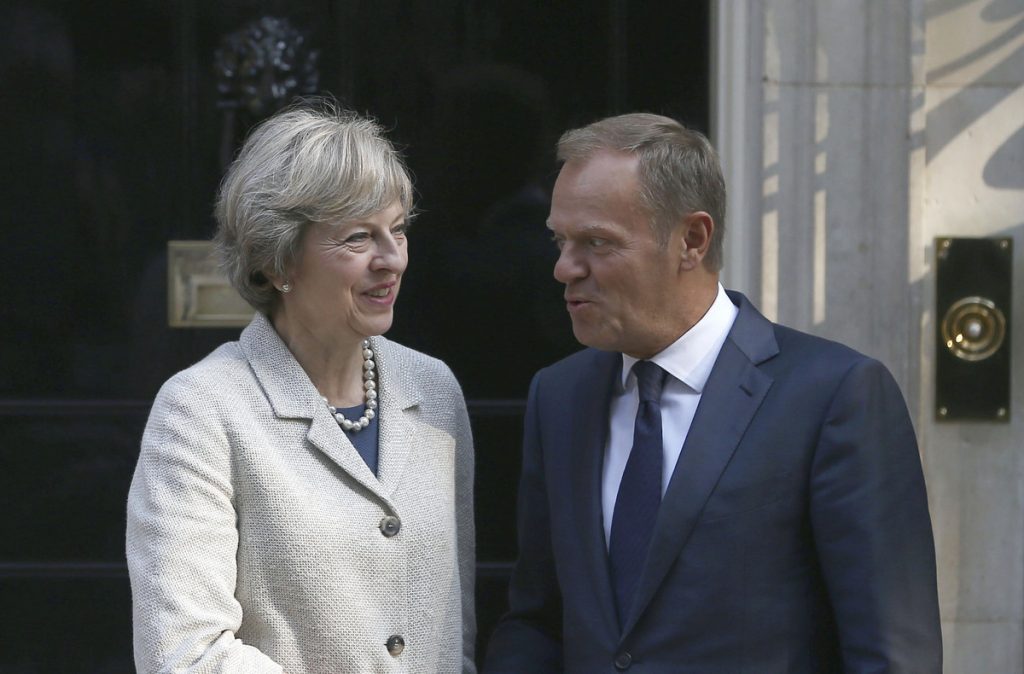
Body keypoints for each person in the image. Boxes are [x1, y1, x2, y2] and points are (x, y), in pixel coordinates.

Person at [484, 113, 941, 672]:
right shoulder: (559, 397)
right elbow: (538, 619)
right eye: (561, 240)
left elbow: (890, 651)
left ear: (692, 240)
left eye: (597, 242)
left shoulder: (833, 396)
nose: (563, 268)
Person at [127, 102, 476, 673]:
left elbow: (451, 632)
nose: (392, 260)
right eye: (359, 238)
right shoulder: (200, 410)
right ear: (277, 260)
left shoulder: (433, 390)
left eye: (398, 230)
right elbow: (186, 655)